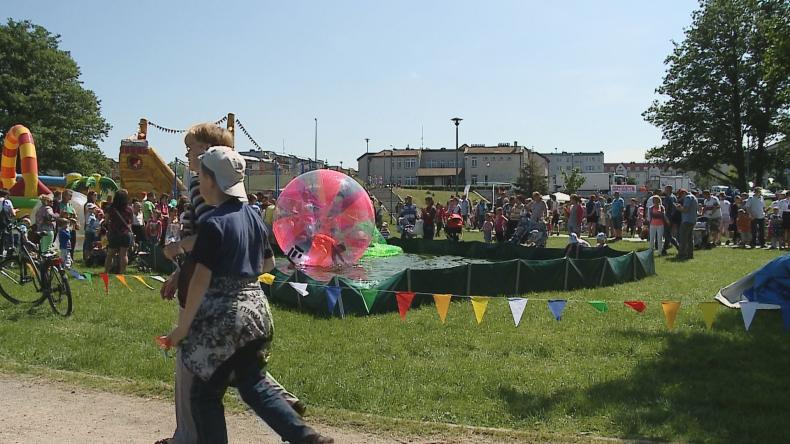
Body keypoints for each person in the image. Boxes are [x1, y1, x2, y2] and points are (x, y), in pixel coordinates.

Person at [164, 147, 332, 444]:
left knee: (204, 393)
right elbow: (267, 263)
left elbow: (201, 280)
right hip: (256, 313)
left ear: (212, 182)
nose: (198, 180)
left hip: (223, 320)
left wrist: (182, 328)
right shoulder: (252, 217)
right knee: (253, 384)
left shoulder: (214, 224)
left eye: (201, 175)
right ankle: (305, 438)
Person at [105, 189, 133, 274]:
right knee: (123, 255)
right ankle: (122, 273)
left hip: (114, 233)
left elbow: (106, 221)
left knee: (110, 254)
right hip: (125, 234)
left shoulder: (110, 209)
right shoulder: (129, 209)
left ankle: (106, 272)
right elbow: (130, 221)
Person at [675, 188, 698, 260]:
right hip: (692, 220)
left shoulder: (688, 198)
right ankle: (690, 254)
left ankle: (682, 254)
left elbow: (685, 209)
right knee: (689, 239)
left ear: (684, 193)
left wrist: (678, 208)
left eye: (681, 195)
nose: (681, 198)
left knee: (683, 238)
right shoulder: (694, 197)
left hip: (686, 221)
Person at [60, 190, 79, 262]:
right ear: (64, 195)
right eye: (69, 195)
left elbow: (74, 213)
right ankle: (65, 259)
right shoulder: (61, 204)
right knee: (66, 243)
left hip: (72, 226)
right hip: (65, 226)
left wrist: (75, 220)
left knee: (72, 242)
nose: (71, 197)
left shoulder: (70, 204)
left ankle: (71, 257)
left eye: (71, 195)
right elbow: (62, 215)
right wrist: (70, 218)